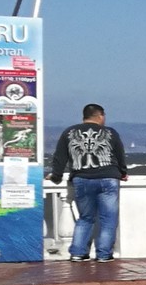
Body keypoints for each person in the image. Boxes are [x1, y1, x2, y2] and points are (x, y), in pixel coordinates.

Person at [49, 103, 129, 262]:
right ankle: (104, 255)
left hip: (82, 178)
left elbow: (60, 157)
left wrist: (56, 176)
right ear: (100, 116)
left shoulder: (69, 132)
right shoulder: (110, 133)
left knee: (85, 218)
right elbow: (120, 154)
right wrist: (123, 172)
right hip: (108, 179)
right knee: (108, 219)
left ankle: (78, 253)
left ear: (84, 116)